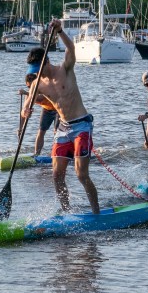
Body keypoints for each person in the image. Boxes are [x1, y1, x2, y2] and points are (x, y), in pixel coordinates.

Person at [22, 18, 99, 214]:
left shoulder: (65, 69)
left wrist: (60, 31)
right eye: (34, 71)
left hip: (81, 125)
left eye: (38, 68)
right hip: (63, 129)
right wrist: (26, 111)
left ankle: (96, 213)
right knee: (56, 175)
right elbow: (27, 103)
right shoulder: (38, 82)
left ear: (46, 61)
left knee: (81, 174)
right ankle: (66, 212)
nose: (36, 74)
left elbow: (71, 48)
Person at [18, 73, 59, 156]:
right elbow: (23, 113)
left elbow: (40, 98)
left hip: (58, 110)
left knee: (57, 132)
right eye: (29, 87)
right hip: (47, 110)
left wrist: (26, 93)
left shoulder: (44, 89)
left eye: (33, 86)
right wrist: (20, 128)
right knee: (41, 132)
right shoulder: (28, 95)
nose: (31, 89)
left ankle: (57, 154)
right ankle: (37, 154)